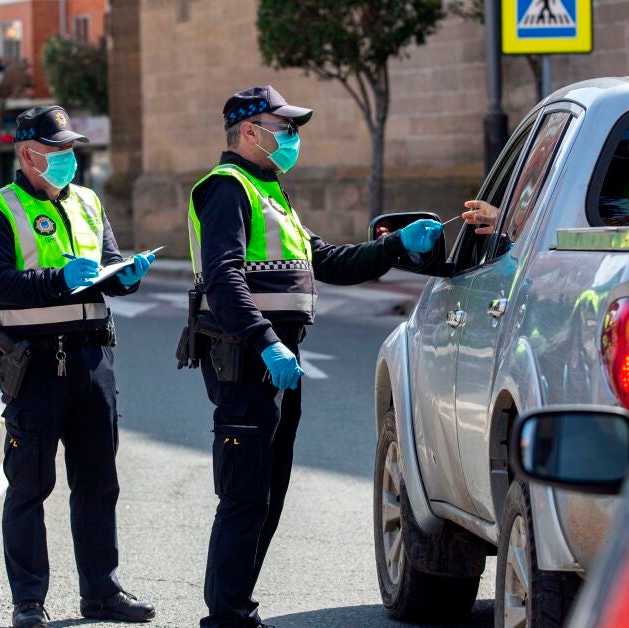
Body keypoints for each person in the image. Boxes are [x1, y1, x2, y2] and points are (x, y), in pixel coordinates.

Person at [186, 85, 446, 628]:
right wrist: (265, 340)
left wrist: (396, 245)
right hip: (248, 358)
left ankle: (236, 610)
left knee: (268, 494)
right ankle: (226, 617)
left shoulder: (270, 192)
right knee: (245, 496)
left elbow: (327, 260)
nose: (292, 137)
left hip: (276, 360)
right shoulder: (226, 188)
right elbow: (223, 277)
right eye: (283, 127)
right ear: (250, 131)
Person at [0, 105, 157, 627]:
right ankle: (29, 600)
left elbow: (108, 265)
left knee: (99, 482)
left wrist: (126, 276)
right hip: (34, 363)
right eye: (55, 150)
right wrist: (59, 279)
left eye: (69, 148)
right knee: (30, 486)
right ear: (27, 153)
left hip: (93, 358)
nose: (66, 158)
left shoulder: (88, 201)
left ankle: (102, 593)